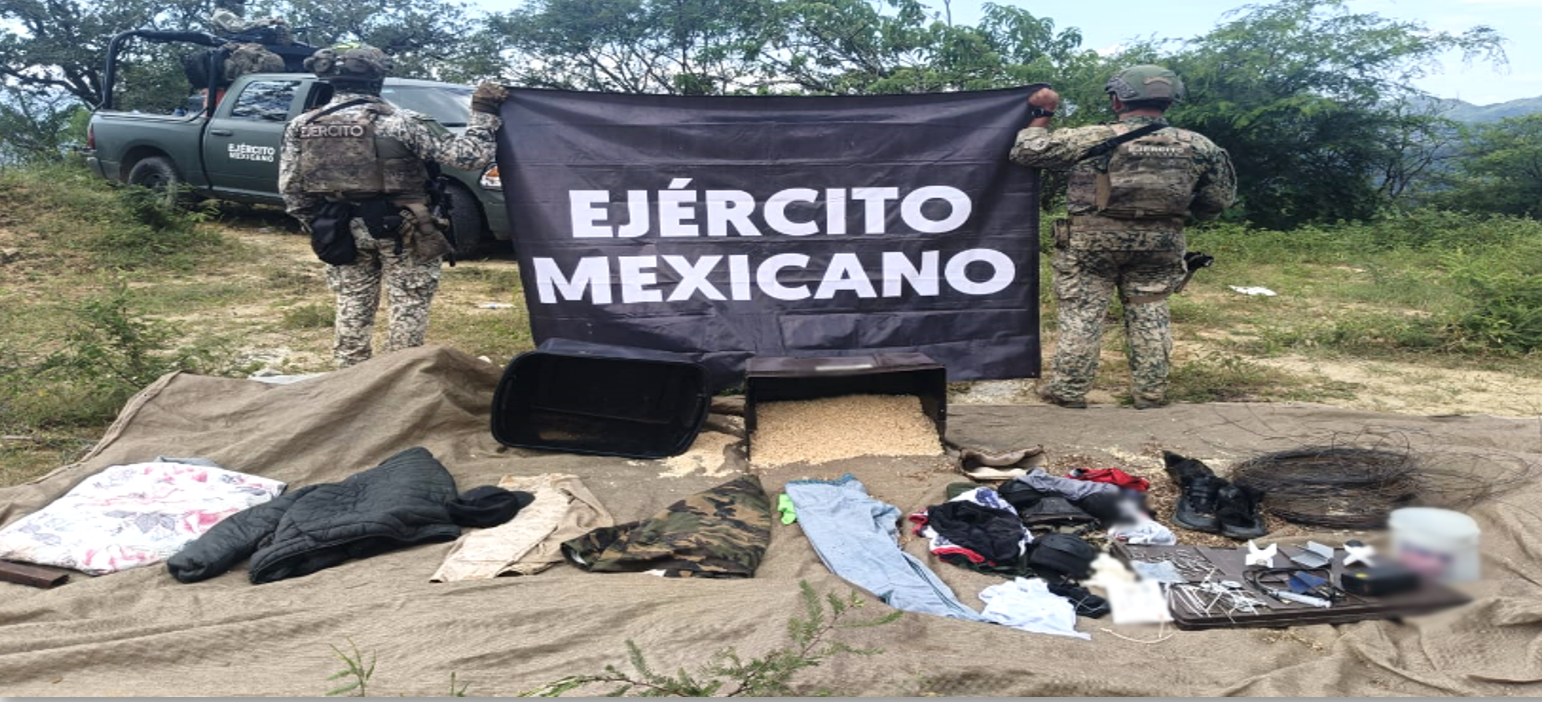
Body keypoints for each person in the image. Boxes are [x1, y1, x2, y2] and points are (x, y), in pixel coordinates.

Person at [1010, 65, 1236, 409]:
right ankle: (1150, 392)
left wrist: (1044, 113)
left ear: (1117, 100)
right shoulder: (1201, 146)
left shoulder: (1093, 138)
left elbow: (1027, 152)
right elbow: (1216, 203)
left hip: (1090, 244)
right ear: (1169, 102)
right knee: (1150, 312)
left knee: (1083, 313)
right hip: (1161, 245)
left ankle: (1068, 391)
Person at [278, 44, 506, 368]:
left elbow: (291, 189)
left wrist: (320, 226)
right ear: (378, 79)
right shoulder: (403, 122)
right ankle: (398, 377)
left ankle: (348, 381)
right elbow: (468, 158)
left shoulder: (302, 125)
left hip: (342, 227)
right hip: (406, 228)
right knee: (409, 303)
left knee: (352, 303)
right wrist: (484, 111)